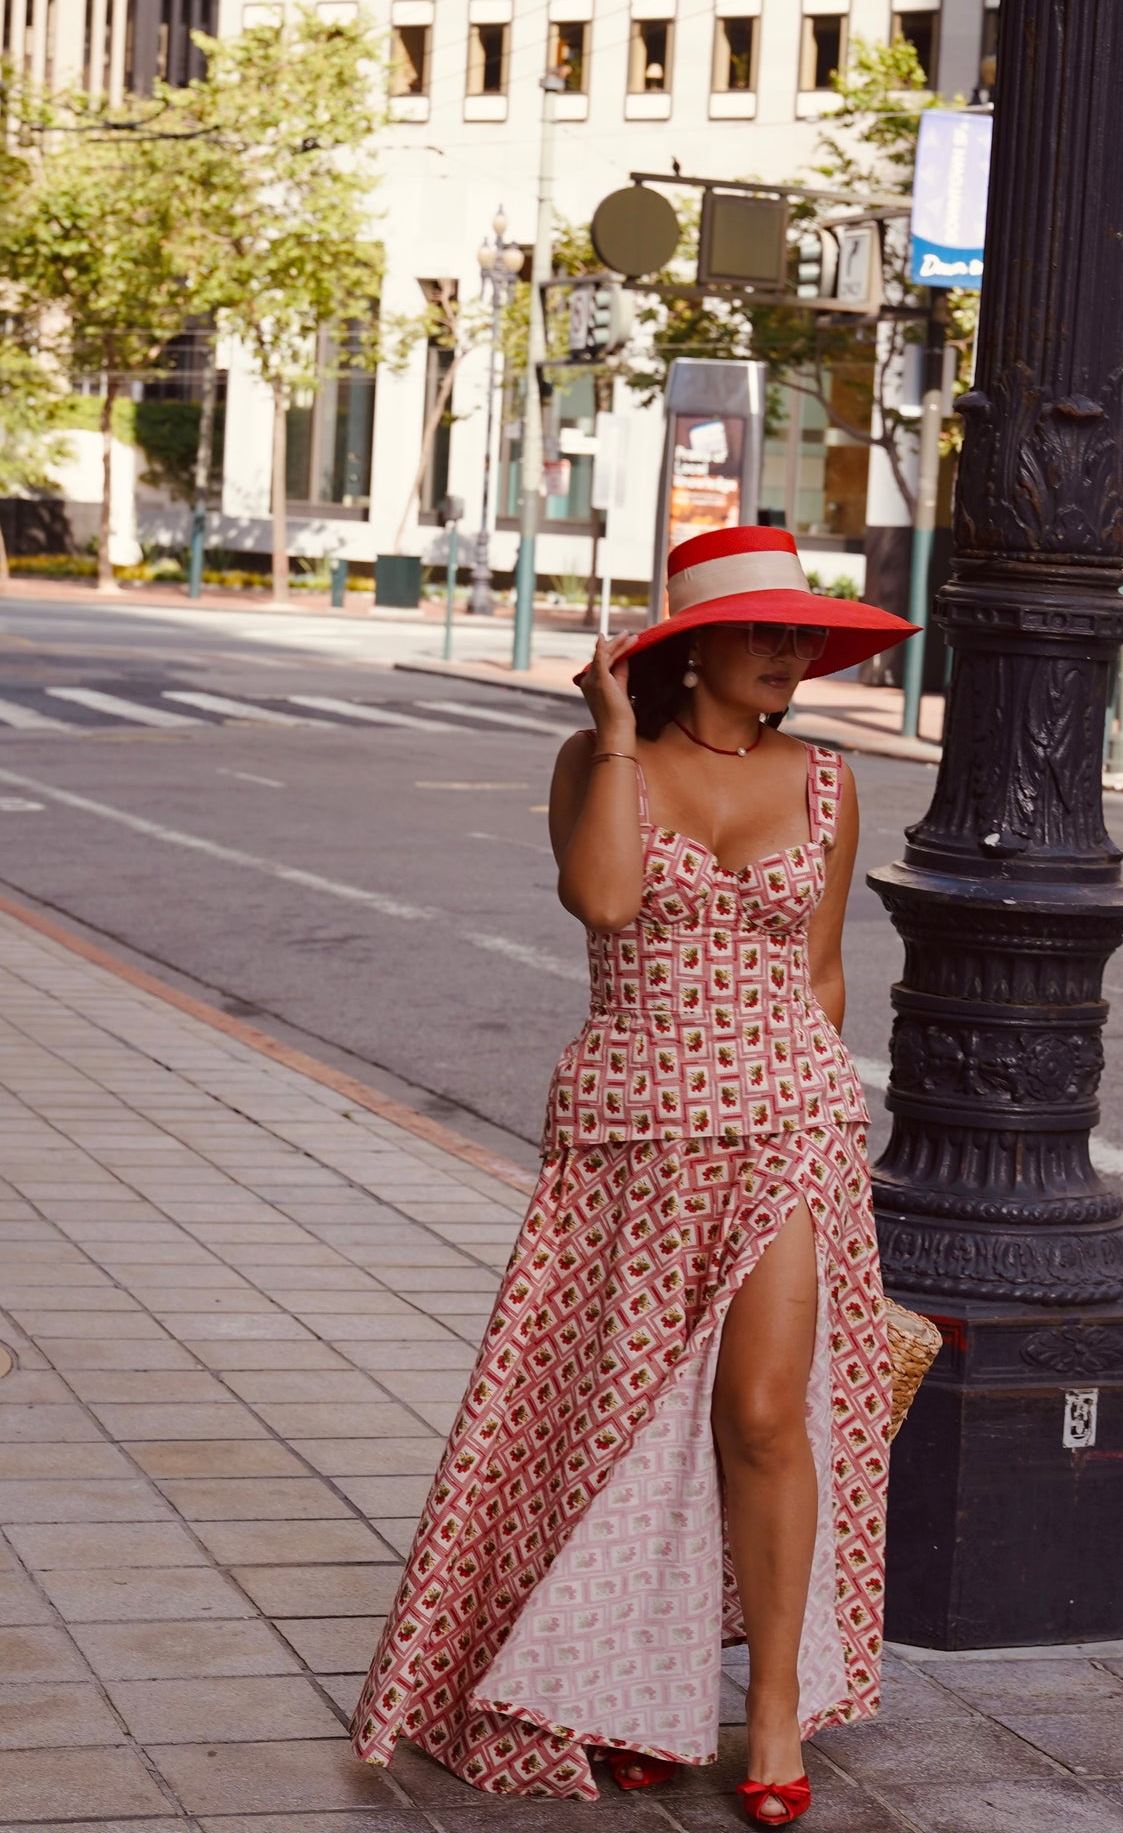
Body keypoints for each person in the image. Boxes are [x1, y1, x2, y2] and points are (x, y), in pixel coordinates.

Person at [351, 526, 918, 1824]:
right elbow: (606, 902)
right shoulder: (601, 762)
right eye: (767, 632)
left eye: (801, 636)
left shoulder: (827, 783)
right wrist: (611, 728)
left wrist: (824, 1120)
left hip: (786, 1117)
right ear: (689, 647)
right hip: (632, 1128)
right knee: (623, 1426)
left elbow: (821, 971)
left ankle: (769, 1709)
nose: (792, 654)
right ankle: (634, 1692)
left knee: (766, 1416)